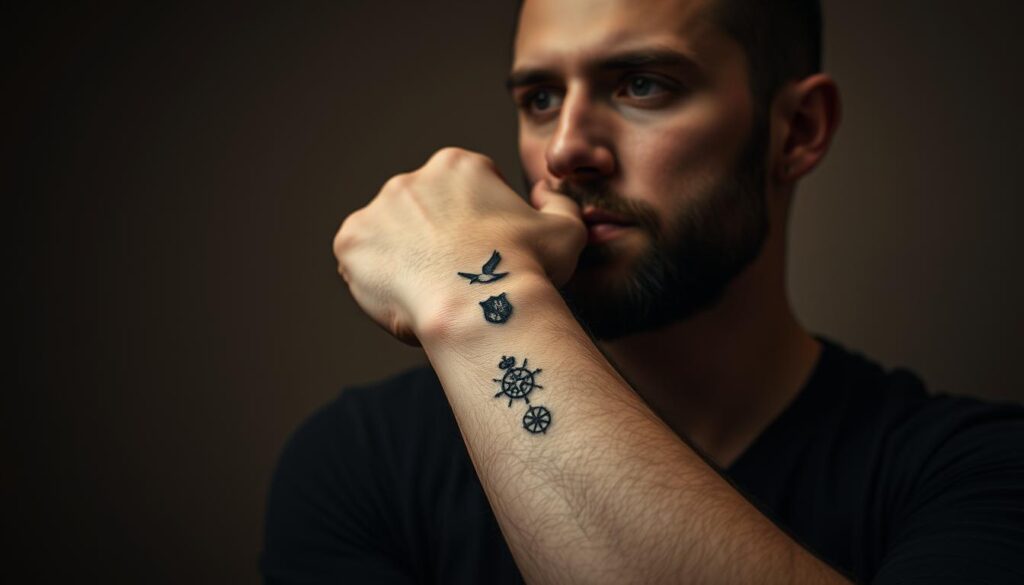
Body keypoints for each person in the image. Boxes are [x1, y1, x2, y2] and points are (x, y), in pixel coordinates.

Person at [261, 0, 1024, 583]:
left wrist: (476, 303)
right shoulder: (365, 464)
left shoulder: (976, 472)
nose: (565, 150)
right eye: (540, 99)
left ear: (796, 130)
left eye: (642, 85)